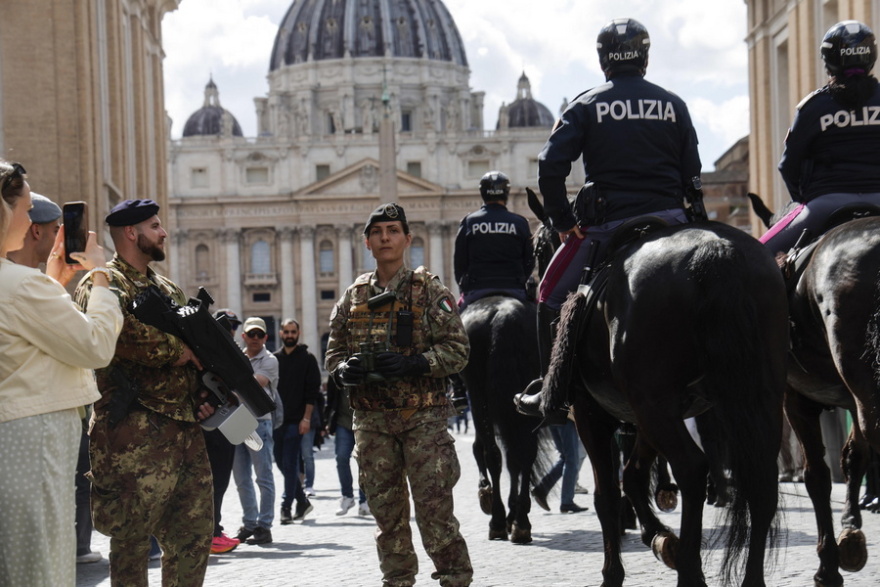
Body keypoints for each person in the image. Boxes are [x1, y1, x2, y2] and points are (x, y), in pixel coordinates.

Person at [516, 17, 701, 416]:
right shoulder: (673, 103)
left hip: (608, 224)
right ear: (645, 57)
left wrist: (564, 221)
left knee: (548, 295)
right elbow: (693, 172)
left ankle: (553, 389)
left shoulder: (585, 104)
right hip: (672, 218)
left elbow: (550, 168)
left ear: (603, 61)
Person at [326, 202, 473, 587]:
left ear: (407, 239)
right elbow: (333, 354)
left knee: (435, 512)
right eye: (378, 232)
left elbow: (458, 350)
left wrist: (417, 364)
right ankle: (398, 581)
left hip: (422, 421)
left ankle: (455, 578)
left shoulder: (429, 291)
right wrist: (344, 372)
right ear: (367, 242)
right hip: (372, 425)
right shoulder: (353, 296)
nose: (385, 237)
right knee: (386, 518)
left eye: (393, 230)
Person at [73, 199, 215, 585]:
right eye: (155, 226)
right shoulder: (102, 282)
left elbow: (198, 349)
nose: (163, 232)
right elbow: (115, 334)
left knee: (193, 537)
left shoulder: (167, 288)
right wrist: (179, 352)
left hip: (184, 433)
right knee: (132, 543)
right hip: (131, 435)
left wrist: (204, 393)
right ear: (132, 234)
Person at [0, 160, 122, 585]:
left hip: (15, 436)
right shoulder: (19, 284)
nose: (30, 216)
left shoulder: (19, 283)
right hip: (33, 439)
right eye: (25, 206)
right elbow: (95, 345)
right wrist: (101, 275)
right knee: (40, 563)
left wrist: (53, 281)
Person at [762, 20, 880, 256]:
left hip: (825, 204)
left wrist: (804, 198)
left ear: (829, 61)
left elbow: (788, 166)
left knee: (753, 257)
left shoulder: (813, 107)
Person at [453, 170, 534, 311]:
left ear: (482, 193)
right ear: (506, 193)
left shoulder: (469, 222)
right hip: (514, 288)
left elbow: (459, 262)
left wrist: (464, 287)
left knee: (453, 329)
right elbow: (529, 260)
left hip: (477, 289)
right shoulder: (520, 222)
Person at [232, 317, 280, 545]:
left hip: (259, 421)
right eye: (251, 334)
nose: (255, 338)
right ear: (244, 336)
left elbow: (252, 383)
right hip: (238, 419)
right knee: (241, 478)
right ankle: (250, 523)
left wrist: (229, 368)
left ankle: (265, 525)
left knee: (263, 476)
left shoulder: (269, 360)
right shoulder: (236, 357)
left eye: (259, 334)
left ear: (265, 337)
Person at [273, 318, 321, 524]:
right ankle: (302, 500)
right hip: (277, 420)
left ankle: (286, 506)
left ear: (298, 334)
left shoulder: (308, 359)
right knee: (280, 461)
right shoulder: (274, 359)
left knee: (290, 462)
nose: (290, 335)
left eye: (293, 332)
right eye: (287, 332)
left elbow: (312, 393)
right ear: (281, 333)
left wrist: (306, 418)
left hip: (297, 420)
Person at [205, 309, 242, 554]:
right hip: (214, 422)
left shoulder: (231, 352)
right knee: (215, 479)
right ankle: (211, 534)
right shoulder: (209, 353)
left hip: (233, 418)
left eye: (233, 326)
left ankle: (215, 528)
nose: (231, 330)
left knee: (224, 478)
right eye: (226, 326)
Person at [324, 377, 370, 516]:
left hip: (364, 422)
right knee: (341, 458)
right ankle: (347, 496)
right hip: (342, 422)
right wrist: (327, 421)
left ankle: (364, 500)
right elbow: (331, 399)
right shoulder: (337, 369)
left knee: (364, 461)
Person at [531, 418, 588, 514]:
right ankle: (567, 502)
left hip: (553, 418)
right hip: (566, 419)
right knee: (572, 460)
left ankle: (542, 489)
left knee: (565, 458)